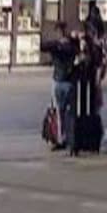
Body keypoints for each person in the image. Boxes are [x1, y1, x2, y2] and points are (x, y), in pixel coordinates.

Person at [46, 22, 78, 150]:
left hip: (60, 81)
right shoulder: (72, 45)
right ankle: (69, 137)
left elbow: (44, 46)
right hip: (69, 81)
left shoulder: (57, 46)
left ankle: (62, 137)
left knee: (61, 112)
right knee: (69, 112)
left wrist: (59, 44)